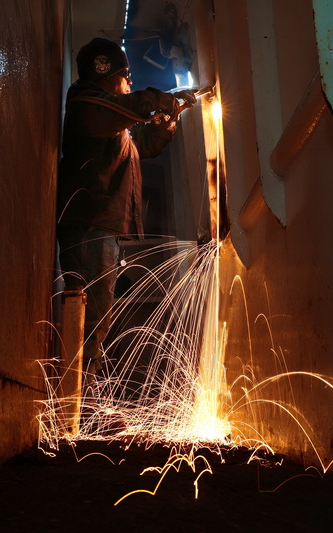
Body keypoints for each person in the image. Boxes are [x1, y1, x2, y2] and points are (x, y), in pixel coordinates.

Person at [56, 37, 195, 378]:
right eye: (126, 75)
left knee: (97, 312)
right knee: (92, 315)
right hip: (90, 226)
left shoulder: (110, 124)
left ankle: (82, 396)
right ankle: (79, 400)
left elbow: (141, 146)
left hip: (100, 228)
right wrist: (160, 100)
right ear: (106, 76)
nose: (130, 82)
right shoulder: (85, 102)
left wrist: (166, 120)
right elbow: (131, 108)